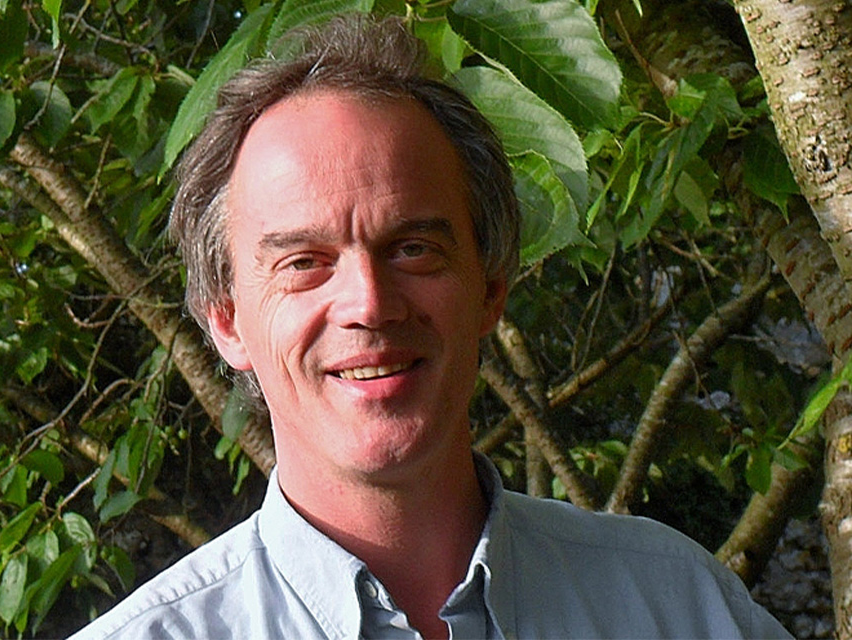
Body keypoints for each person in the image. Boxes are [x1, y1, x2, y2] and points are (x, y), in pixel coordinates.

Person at [71, 15, 791, 640]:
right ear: (225, 322)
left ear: (492, 286)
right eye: (304, 262)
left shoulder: (682, 608)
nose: (370, 304)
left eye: (413, 248)